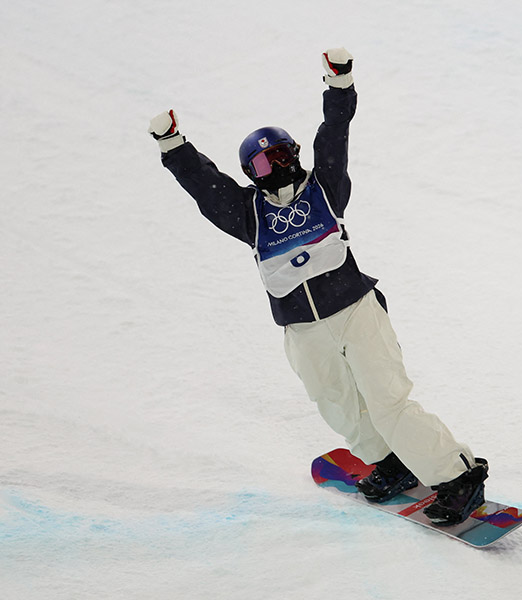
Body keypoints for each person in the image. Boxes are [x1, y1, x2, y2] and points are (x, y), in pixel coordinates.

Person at [148, 47, 488, 525]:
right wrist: (173, 145)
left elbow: (335, 134)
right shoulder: (249, 215)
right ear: (251, 175)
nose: (277, 167)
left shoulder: (325, 189)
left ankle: (458, 477)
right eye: (264, 165)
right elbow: (205, 186)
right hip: (302, 329)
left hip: (354, 310)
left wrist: (339, 85)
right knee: (334, 400)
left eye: (282, 155)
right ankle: (388, 461)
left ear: (296, 155)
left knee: (388, 399)